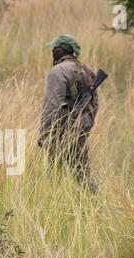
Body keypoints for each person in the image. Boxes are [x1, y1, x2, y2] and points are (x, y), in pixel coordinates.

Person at [38, 34, 99, 192]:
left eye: (55, 48)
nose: (52, 51)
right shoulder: (87, 70)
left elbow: (52, 106)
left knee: (54, 175)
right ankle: (95, 204)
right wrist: (86, 125)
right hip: (81, 128)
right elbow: (95, 103)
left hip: (61, 128)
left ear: (62, 50)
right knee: (82, 172)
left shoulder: (58, 71)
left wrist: (45, 133)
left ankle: (54, 207)